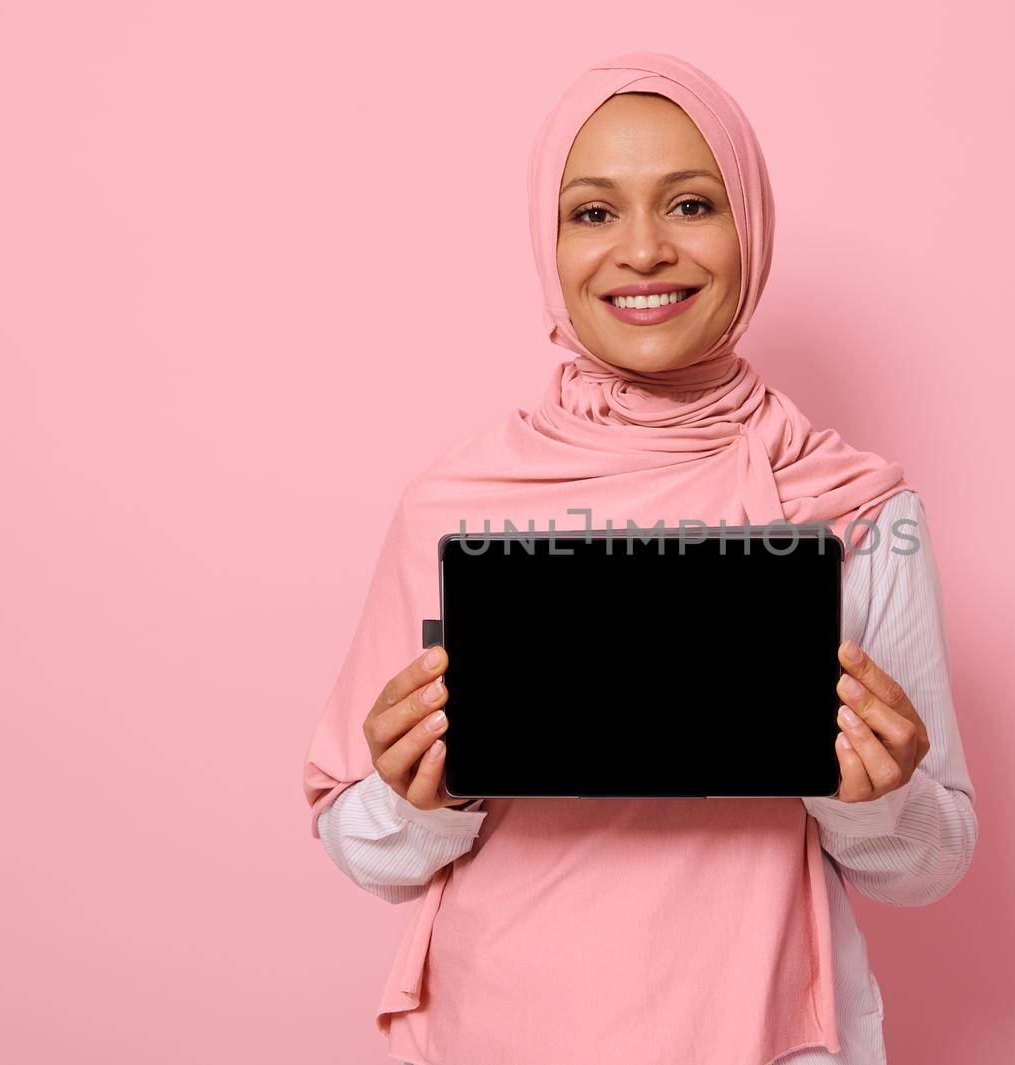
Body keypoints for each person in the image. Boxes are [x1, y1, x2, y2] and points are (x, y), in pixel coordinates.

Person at [302, 52, 978, 1065]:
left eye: (693, 204)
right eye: (593, 213)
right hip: (502, 1033)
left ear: (750, 224)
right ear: (549, 240)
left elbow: (930, 863)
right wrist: (415, 797)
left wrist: (874, 794)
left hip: (767, 1040)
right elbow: (364, 846)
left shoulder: (860, 508)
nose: (646, 251)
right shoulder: (453, 507)